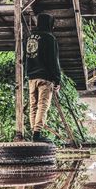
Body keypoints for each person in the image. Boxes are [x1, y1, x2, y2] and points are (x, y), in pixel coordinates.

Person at [26, 13, 61, 143]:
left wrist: (28, 73)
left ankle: (34, 133)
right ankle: (37, 134)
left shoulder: (30, 38)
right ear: (49, 23)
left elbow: (26, 57)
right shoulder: (49, 38)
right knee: (43, 105)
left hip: (31, 77)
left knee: (33, 105)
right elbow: (53, 60)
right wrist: (57, 79)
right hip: (45, 78)